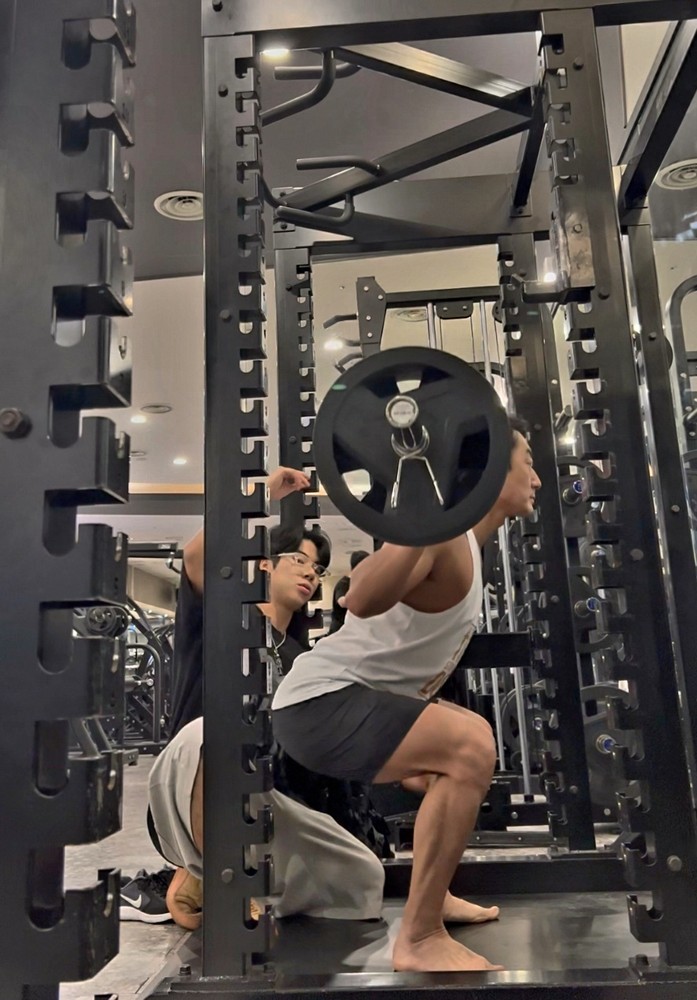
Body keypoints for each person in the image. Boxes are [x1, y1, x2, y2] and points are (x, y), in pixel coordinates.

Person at [272, 416, 541, 973]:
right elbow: (359, 596)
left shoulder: (465, 543)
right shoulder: (440, 531)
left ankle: (434, 898)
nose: (536, 478)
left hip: (340, 703)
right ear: (492, 469)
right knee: (470, 745)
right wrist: (419, 514)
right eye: (528, 462)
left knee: (462, 746)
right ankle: (419, 937)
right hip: (318, 704)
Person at [149, 504, 387, 928]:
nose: (311, 573)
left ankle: (231, 876)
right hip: (196, 781)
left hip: (265, 799)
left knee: (365, 880)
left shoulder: (301, 660)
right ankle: (213, 872)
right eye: (298, 559)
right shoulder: (221, 622)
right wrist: (263, 497)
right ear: (264, 563)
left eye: (317, 568)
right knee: (211, 735)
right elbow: (196, 558)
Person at [328, 549, 370, 634]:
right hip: (340, 631)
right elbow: (342, 602)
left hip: (354, 630)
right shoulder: (344, 583)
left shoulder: (360, 585)